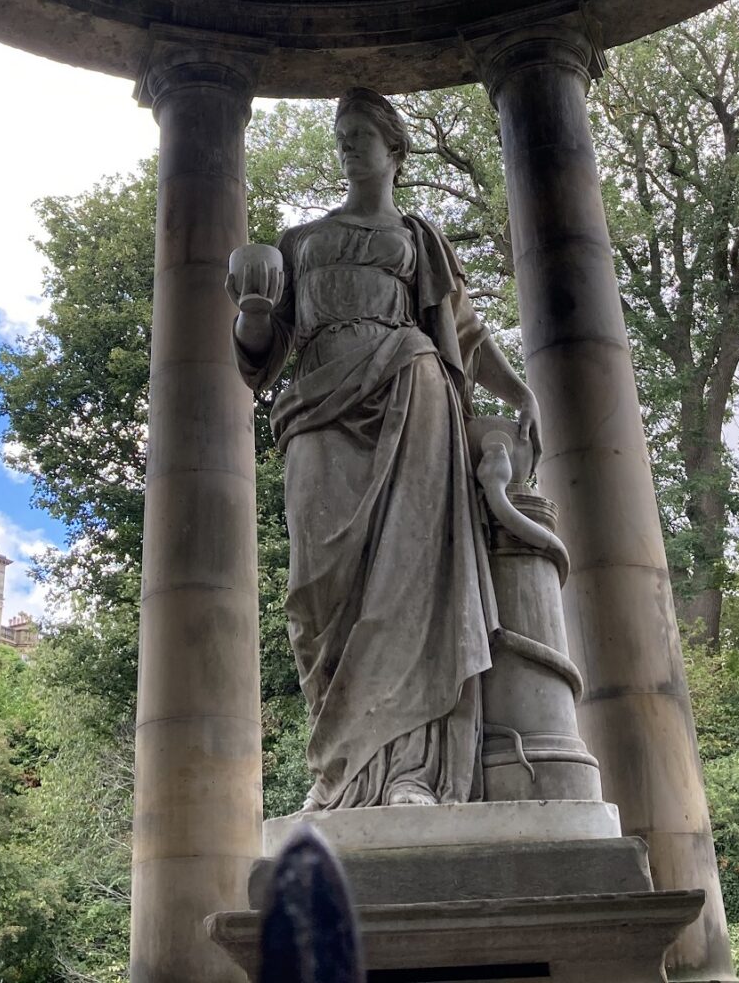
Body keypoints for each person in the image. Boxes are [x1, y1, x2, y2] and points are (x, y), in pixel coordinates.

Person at [229, 87, 539, 810]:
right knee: (316, 592)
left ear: (394, 148)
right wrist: (248, 309)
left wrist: (522, 396)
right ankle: (338, 772)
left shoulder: (418, 237)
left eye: (360, 132)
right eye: (340, 133)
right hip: (315, 408)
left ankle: (410, 774)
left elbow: (462, 333)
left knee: (412, 583)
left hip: (409, 390)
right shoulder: (297, 242)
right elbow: (258, 357)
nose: (346, 143)